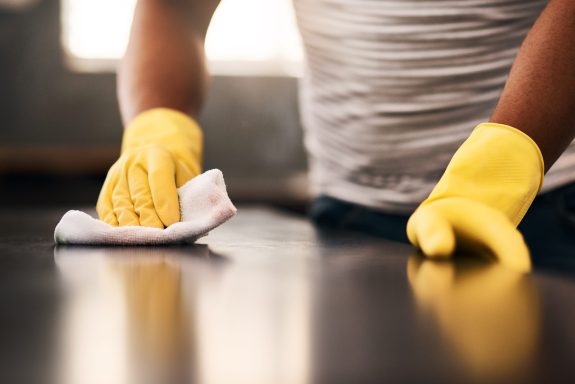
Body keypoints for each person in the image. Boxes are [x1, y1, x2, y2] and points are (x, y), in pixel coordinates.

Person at [96, 0, 575, 270]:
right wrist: (158, 128)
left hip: (542, 209)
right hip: (346, 213)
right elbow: (176, 11)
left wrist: (497, 174)